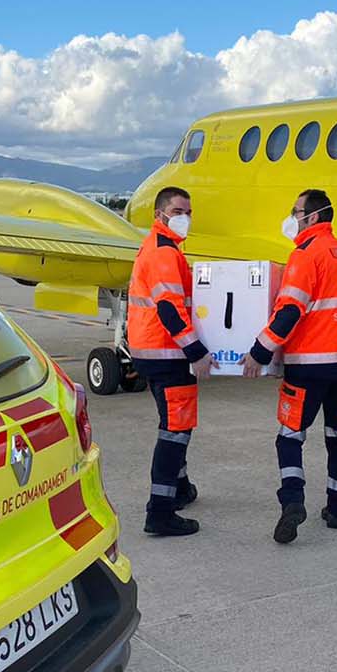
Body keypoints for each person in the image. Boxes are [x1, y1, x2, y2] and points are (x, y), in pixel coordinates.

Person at [242, 188, 337, 543]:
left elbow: (289, 312)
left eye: (296, 211)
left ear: (311, 217)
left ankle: (293, 502)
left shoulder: (305, 255)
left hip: (310, 365)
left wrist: (259, 353)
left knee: (290, 436)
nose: (292, 217)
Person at [127, 186, 215, 537]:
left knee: (172, 423)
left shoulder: (154, 247)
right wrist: (197, 353)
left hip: (149, 351)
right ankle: (160, 511)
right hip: (167, 353)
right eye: (179, 211)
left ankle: (179, 488)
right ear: (160, 214)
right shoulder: (164, 253)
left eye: (189, 212)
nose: (185, 219)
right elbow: (169, 309)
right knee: (176, 431)